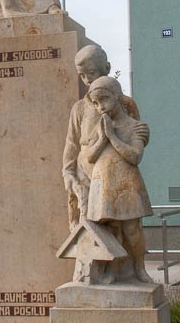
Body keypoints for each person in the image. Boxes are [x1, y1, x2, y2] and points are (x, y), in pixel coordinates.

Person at [62, 44, 147, 230]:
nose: (86, 79)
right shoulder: (79, 108)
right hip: (85, 172)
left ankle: (130, 259)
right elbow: (72, 144)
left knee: (124, 229)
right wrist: (68, 172)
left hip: (116, 174)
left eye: (91, 73)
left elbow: (134, 134)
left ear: (106, 68)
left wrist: (142, 134)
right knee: (91, 229)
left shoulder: (125, 103)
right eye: (82, 75)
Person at [85, 76, 153, 283]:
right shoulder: (100, 127)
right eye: (95, 103)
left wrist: (112, 137)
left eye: (104, 100)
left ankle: (139, 267)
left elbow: (134, 156)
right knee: (113, 230)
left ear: (117, 96)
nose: (100, 107)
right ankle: (113, 269)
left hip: (126, 183)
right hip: (104, 182)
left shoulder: (135, 127)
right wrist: (103, 136)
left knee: (132, 230)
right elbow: (90, 156)